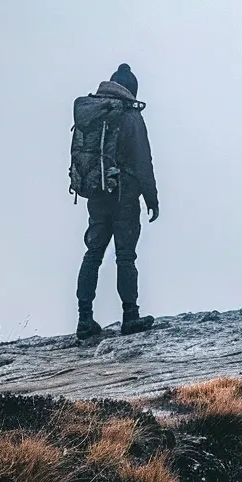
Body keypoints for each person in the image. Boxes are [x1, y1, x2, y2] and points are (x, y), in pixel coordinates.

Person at [73, 63, 160, 339]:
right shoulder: (129, 115)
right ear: (131, 90)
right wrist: (151, 197)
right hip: (124, 196)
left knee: (93, 254)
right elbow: (143, 160)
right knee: (125, 256)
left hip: (97, 194)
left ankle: (84, 320)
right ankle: (130, 316)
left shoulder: (93, 111)